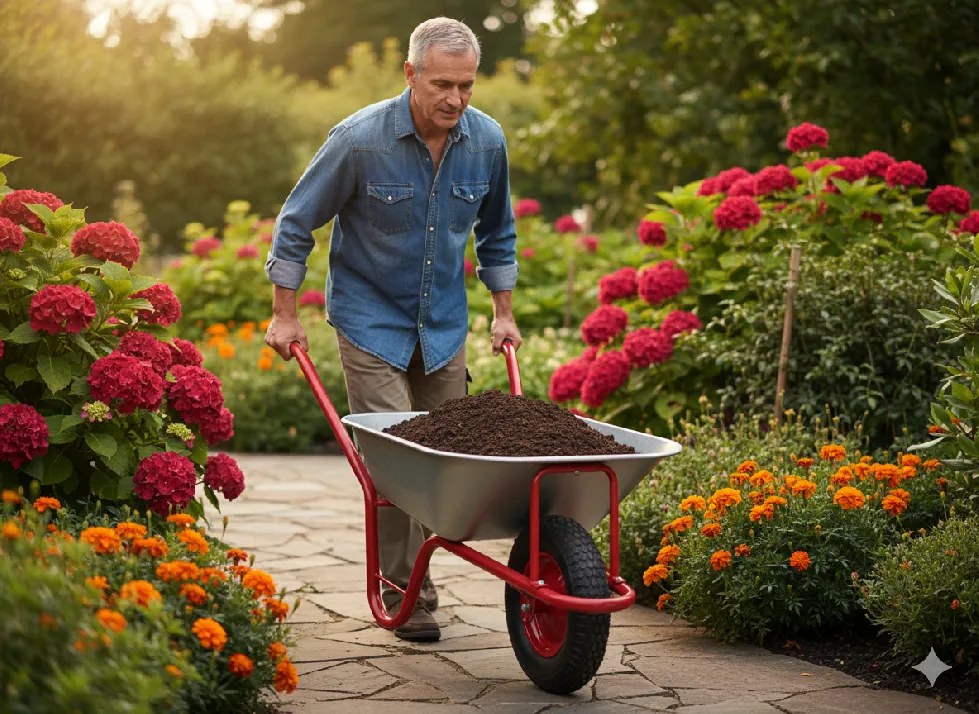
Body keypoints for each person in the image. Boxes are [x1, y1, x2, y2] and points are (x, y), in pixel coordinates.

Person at [263, 17, 522, 642]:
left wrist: (503, 311)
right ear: (410, 74)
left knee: (446, 460)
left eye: (466, 85)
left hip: (443, 326)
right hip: (369, 320)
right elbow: (296, 224)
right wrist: (285, 312)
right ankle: (406, 589)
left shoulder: (485, 141)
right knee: (401, 454)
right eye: (441, 84)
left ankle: (418, 574)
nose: (455, 100)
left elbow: (498, 232)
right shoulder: (359, 141)